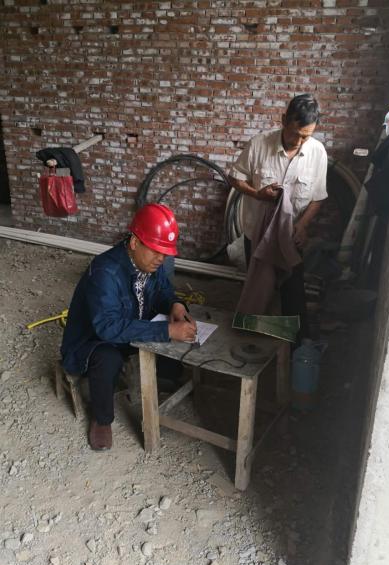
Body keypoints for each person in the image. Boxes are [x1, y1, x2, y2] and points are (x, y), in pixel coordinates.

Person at [61, 204, 197, 451]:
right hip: (94, 341)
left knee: (169, 333)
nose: (161, 258)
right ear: (134, 243)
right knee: (109, 359)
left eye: (165, 253)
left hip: (129, 325)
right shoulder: (104, 271)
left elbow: (163, 291)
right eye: (156, 251)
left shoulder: (150, 264)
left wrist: (176, 304)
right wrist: (166, 331)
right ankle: (102, 419)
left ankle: (165, 375)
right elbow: (108, 327)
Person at [228, 93, 328, 341]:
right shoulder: (259, 145)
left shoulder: (317, 152)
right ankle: (253, 337)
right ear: (284, 120)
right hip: (257, 234)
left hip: (291, 236)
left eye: (306, 136)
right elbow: (235, 178)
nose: (300, 141)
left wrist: (302, 226)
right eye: (295, 134)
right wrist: (257, 194)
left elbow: (318, 197)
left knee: (292, 291)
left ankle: (294, 343)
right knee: (258, 287)